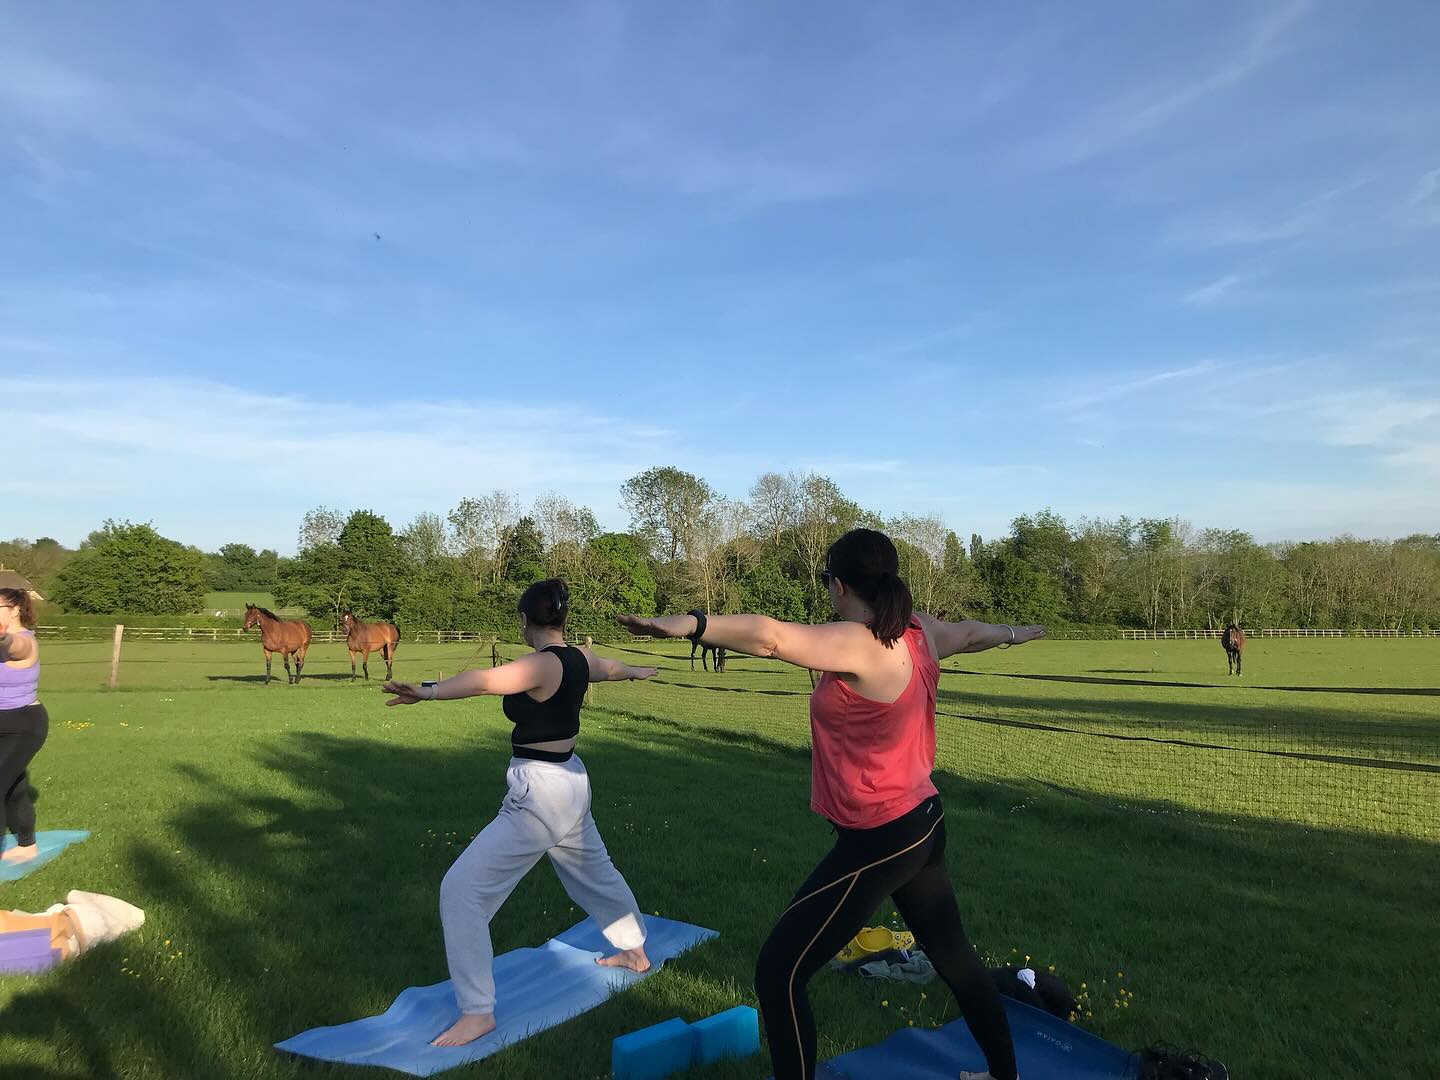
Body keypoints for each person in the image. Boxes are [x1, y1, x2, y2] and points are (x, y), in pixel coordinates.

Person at [619, 528, 1045, 1080]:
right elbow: (968, 633)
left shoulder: (859, 642)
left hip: (885, 835)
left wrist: (691, 624)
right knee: (955, 959)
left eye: (826, 580)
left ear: (840, 585)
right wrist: (1014, 633)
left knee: (779, 971)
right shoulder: (919, 631)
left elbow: (772, 637)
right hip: (921, 821)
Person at [383, 578, 659, 1047]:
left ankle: (477, 1013)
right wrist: (635, 671)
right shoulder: (578, 658)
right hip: (571, 782)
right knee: (596, 873)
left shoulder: (540, 664)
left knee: (461, 892)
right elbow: (608, 669)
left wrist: (428, 691)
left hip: (541, 794)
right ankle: (634, 951)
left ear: (525, 620)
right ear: (563, 619)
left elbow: (484, 681)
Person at [0, 587, 47, 865]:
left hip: (23, 725)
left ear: (15, 609)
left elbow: (15, 646)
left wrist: (3, 637)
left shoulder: (25, 641)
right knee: (13, 785)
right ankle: (27, 845)